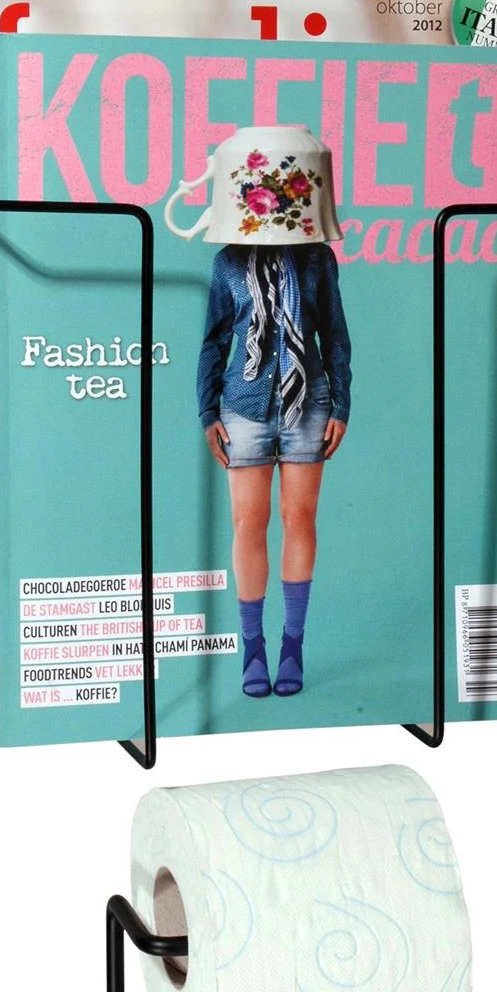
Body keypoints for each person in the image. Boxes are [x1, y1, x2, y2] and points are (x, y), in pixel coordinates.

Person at [197, 240, 351, 697]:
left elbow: (334, 334)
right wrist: (207, 411)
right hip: (244, 405)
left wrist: (341, 404)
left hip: (309, 402)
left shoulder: (317, 257)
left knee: (299, 518)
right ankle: (253, 649)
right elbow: (215, 340)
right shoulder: (228, 260)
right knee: (248, 523)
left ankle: (292, 646)